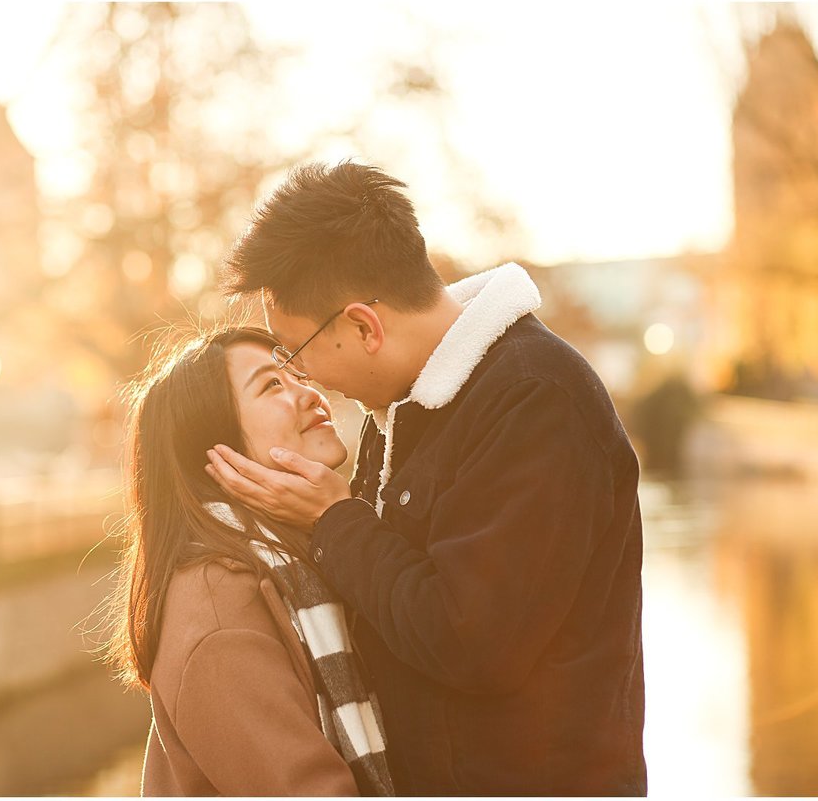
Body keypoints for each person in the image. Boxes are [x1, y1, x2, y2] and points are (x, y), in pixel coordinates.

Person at [206, 161, 648, 795]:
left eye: (296, 354)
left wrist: (335, 519)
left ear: (364, 326)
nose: (306, 380)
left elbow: (474, 642)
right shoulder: (404, 411)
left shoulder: (535, 398)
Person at [102, 326, 394, 796]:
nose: (310, 393)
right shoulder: (220, 619)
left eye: (297, 374)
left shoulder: (305, 555)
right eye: (272, 384)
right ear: (219, 450)